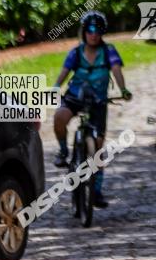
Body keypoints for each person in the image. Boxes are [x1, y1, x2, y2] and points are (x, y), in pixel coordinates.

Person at [52, 11, 132, 208]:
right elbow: (63, 73)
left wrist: (123, 89)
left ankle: (96, 191)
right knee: (59, 117)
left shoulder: (109, 51)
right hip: (75, 97)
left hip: (98, 101)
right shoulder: (76, 53)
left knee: (97, 147)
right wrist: (55, 88)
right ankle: (63, 152)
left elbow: (116, 70)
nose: (93, 35)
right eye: (90, 30)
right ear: (84, 32)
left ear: (102, 33)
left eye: (97, 31)